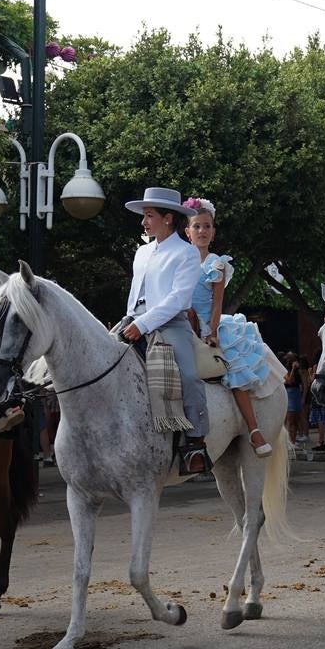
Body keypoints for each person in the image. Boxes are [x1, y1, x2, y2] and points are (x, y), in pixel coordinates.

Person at [121, 186, 208, 474]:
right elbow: (136, 293)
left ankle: (195, 442)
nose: (144, 222)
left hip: (171, 324)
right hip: (134, 320)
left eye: (148, 216)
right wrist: (129, 320)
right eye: (144, 216)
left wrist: (143, 324)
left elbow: (177, 299)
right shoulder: (142, 252)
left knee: (189, 376)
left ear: (168, 218)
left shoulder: (187, 253)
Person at [184, 198, 274, 457]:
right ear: (187, 232)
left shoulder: (217, 264)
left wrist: (210, 332)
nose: (202, 231)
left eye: (207, 226)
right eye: (197, 226)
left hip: (209, 324)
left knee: (233, 369)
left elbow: (217, 303)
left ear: (213, 232)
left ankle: (254, 430)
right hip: (181, 322)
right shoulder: (179, 259)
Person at [283, 352, 304, 445]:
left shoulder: (298, 371)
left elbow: (303, 382)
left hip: (296, 394)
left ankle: (293, 441)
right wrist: (292, 369)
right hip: (290, 394)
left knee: (296, 420)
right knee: (290, 420)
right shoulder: (285, 370)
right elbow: (289, 381)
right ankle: (288, 441)